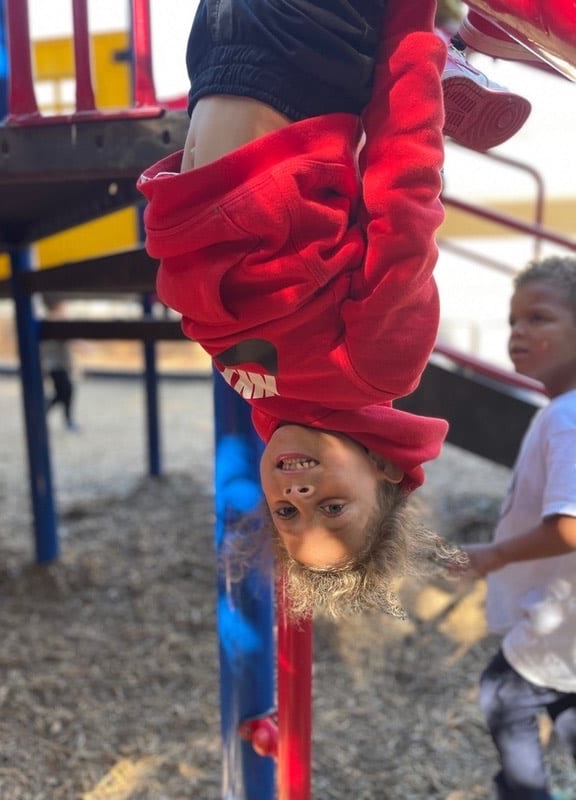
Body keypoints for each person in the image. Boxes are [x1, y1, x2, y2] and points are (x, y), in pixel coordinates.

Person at [138, 0, 474, 619]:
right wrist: (412, 30)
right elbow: (404, 194)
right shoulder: (373, 368)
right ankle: (455, 39)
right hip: (302, 58)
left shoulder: (258, 390)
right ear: (383, 468)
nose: (297, 492)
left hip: (215, 60)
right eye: (333, 507)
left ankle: (460, 50)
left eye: (287, 512)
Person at [459, 256, 576, 800]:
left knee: (504, 692)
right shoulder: (560, 411)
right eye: (513, 321)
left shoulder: (567, 418)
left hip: (559, 615)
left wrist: (496, 554)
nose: (518, 332)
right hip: (564, 618)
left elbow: (570, 525)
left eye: (538, 318)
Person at [40, 296, 79, 432]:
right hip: (56, 364)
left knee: (64, 392)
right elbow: (67, 339)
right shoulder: (56, 322)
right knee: (64, 392)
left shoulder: (47, 321)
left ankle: (66, 420)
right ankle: (45, 411)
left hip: (55, 363)